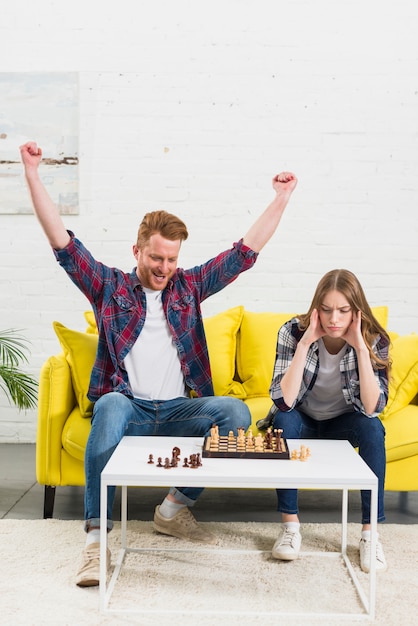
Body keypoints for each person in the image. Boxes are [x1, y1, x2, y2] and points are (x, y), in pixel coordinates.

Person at [20, 141, 297, 587]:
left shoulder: (189, 288)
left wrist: (281, 197)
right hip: (128, 410)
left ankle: (171, 509)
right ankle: (94, 545)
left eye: (171, 259)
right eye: (156, 257)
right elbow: (62, 244)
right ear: (136, 251)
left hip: (174, 412)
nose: (164, 267)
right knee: (109, 403)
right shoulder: (109, 287)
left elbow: (243, 253)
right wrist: (32, 172)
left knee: (236, 412)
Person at [266, 269, 390, 573]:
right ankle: (290, 527)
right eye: (326, 309)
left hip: (343, 423)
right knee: (284, 419)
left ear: (355, 312)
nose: (334, 318)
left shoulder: (376, 338)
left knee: (373, 428)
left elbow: (373, 407)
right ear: (316, 308)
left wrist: (361, 347)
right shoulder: (293, 332)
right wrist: (305, 344)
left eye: (343, 310)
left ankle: (369, 535)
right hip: (303, 418)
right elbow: (285, 400)